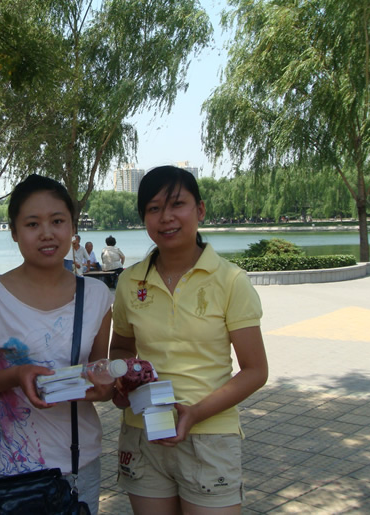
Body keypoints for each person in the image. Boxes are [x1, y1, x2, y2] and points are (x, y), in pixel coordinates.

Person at [109, 166, 268, 515]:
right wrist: (123, 380)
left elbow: (256, 371)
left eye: (177, 204)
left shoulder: (230, 280)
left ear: (200, 210)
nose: (166, 217)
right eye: (153, 208)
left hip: (210, 435)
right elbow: (120, 348)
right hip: (142, 432)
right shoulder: (130, 281)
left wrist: (195, 413)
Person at [0, 174, 114, 515]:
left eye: (57, 221)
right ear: (14, 232)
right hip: (11, 471)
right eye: (32, 224)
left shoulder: (97, 296)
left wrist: (104, 386)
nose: (47, 233)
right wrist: (15, 375)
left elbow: (100, 374)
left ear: (72, 227)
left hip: (79, 465)